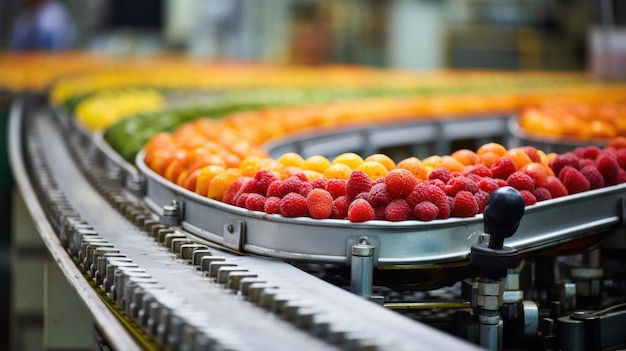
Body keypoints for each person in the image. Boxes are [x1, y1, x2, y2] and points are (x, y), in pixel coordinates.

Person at [10, 0, 75, 51]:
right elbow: (15, 51)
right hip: (27, 66)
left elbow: (62, 48)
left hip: (53, 64)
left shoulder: (56, 14)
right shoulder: (22, 20)